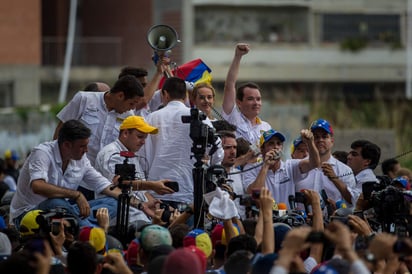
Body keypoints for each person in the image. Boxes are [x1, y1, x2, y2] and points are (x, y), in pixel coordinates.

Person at [10, 120, 122, 229]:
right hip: (29, 215)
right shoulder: (42, 153)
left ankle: (81, 224)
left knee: (114, 202)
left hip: (65, 210)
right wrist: (76, 195)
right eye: (82, 146)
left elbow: (104, 185)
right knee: (56, 202)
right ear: (67, 145)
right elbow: (37, 186)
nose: (86, 150)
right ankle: (89, 231)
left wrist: (138, 203)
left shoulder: (81, 159)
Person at [142, 77, 223, 207]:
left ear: (165, 94)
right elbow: (217, 151)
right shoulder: (200, 117)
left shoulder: (151, 118)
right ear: (186, 95)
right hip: (189, 190)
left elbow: (143, 155)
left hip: (156, 189)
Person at [95, 115, 176, 224]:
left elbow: (140, 187)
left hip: (137, 214)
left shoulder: (131, 155)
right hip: (121, 216)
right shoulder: (111, 153)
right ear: (125, 133)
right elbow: (119, 185)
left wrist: (156, 204)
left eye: (145, 138)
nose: (143, 142)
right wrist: (153, 185)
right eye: (140, 136)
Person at [53, 75, 144, 167]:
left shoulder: (129, 115)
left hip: (106, 171)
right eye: (131, 103)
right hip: (75, 168)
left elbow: (127, 146)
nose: (132, 108)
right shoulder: (84, 100)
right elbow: (61, 130)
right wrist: (57, 162)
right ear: (120, 96)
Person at [243, 128, 320, 205]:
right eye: (271, 143)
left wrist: (310, 143)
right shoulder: (250, 168)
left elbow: (314, 163)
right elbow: (254, 195)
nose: (276, 147)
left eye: (279, 144)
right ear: (262, 149)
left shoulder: (289, 166)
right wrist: (266, 166)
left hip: (288, 216)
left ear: (282, 148)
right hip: (264, 216)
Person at [295, 119, 358, 206]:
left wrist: (335, 179)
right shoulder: (298, 166)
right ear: (309, 141)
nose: (320, 140)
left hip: (332, 219)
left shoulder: (345, 170)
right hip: (301, 219)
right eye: (316, 137)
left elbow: (354, 201)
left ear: (332, 141)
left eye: (324, 136)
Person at [221, 43, 271, 147]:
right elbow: (229, 86)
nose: (256, 103)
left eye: (258, 99)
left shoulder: (266, 128)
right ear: (239, 102)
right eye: (250, 99)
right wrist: (238, 56)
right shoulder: (232, 117)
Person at [218, 130, 246, 219]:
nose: (233, 152)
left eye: (234, 147)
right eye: (227, 148)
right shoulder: (209, 175)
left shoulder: (240, 175)